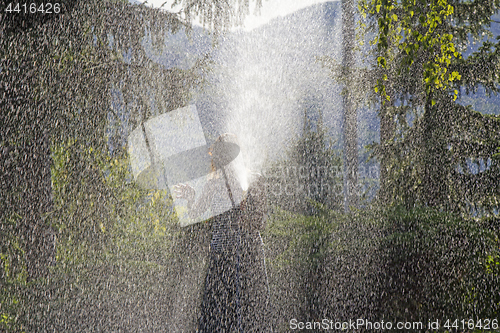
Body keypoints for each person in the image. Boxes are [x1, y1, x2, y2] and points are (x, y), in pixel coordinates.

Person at [173, 134, 270, 333]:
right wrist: (191, 198)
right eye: (220, 157)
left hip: (247, 254)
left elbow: (260, 221)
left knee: (248, 309)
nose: (224, 161)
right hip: (220, 255)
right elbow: (197, 214)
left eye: (227, 155)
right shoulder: (213, 184)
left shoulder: (253, 180)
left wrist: (245, 218)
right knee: (216, 311)